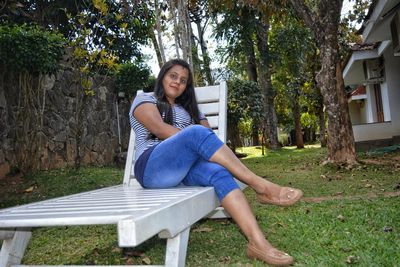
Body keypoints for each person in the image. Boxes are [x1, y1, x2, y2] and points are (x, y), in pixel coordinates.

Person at [129, 58, 303, 266]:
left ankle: (258, 244)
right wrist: (193, 137)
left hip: (183, 172)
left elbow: (207, 138)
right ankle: (260, 185)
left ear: (187, 87)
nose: (177, 82)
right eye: (173, 76)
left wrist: (198, 141)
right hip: (151, 166)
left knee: (219, 174)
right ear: (162, 77)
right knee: (195, 133)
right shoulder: (145, 99)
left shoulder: (193, 110)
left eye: (183, 80)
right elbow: (159, 128)